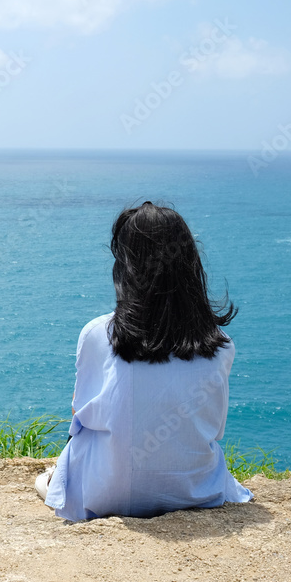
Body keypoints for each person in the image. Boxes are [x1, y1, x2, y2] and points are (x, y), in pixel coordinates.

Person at [37, 201, 253, 521]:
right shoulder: (220, 344)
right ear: (190, 265)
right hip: (196, 490)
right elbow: (215, 428)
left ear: (124, 267)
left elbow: (80, 415)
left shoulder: (100, 334)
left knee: (49, 480)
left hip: (108, 494)